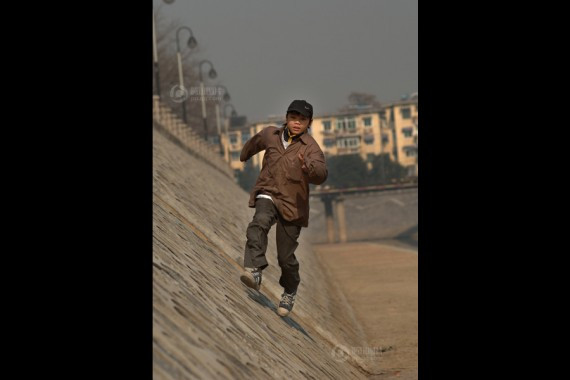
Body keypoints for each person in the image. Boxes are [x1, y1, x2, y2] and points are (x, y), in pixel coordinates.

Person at [239, 99, 328, 317]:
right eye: (293, 118)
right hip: (268, 191)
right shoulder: (271, 134)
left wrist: (309, 167)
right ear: (286, 118)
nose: (297, 123)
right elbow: (254, 143)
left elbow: (321, 174)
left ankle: (290, 289)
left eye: (302, 120)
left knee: (285, 258)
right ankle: (254, 269)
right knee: (259, 222)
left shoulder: (311, 148)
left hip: (293, 203)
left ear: (309, 122)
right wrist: (244, 155)